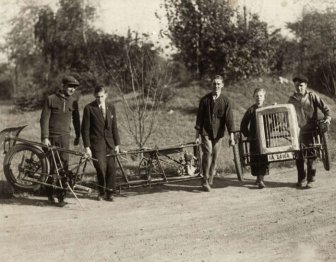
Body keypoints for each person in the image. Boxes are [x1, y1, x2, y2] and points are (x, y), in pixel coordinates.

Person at [40, 75, 81, 205]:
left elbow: (76, 120)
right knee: (50, 167)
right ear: (63, 86)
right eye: (70, 86)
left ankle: (61, 196)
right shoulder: (50, 99)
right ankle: (49, 194)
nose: (72, 89)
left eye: (74, 87)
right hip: (51, 138)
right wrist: (45, 137)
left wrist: (78, 136)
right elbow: (44, 119)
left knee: (63, 166)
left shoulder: (73, 102)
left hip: (65, 138)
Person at [288, 75, 331, 188]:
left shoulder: (312, 96)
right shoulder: (291, 100)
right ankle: (301, 179)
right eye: (297, 86)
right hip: (298, 131)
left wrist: (327, 118)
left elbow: (325, 108)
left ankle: (311, 179)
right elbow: (287, 114)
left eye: (301, 86)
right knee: (298, 154)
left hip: (312, 129)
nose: (299, 88)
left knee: (311, 154)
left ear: (305, 85)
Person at [195, 75, 235, 192]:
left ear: (222, 85)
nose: (216, 86)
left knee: (215, 156)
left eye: (218, 84)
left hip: (219, 134)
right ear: (211, 85)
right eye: (214, 83)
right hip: (206, 132)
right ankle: (205, 180)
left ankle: (210, 178)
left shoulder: (226, 101)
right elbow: (199, 119)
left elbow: (229, 120)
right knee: (208, 152)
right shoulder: (204, 100)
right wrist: (197, 136)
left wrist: (231, 137)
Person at [81, 85, 120, 201]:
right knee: (101, 167)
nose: (100, 99)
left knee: (111, 168)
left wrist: (117, 144)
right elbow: (85, 129)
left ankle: (110, 193)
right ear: (94, 96)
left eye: (102, 96)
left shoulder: (111, 107)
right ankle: (101, 192)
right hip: (96, 144)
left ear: (106, 95)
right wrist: (87, 147)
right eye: (97, 97)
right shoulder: (89, 108)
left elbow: (114, 127)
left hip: (110, 143)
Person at [240, 88, 269, 189]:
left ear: (264, 97)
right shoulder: (251, 110)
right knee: (256, 158)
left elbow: (274, 120)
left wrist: (269, 131)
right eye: (257, 96)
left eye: (261, 96)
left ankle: (261, 179)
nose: (259, 98)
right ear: (254, 97)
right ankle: (259, 178)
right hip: (255, 139)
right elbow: (243, 124)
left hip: (265, 139)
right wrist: (248, 135)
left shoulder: (267, 109)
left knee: (264, 158)